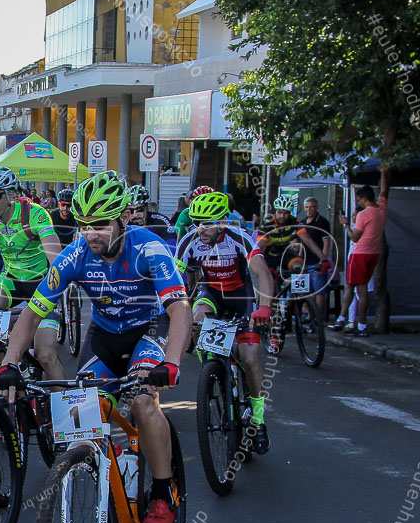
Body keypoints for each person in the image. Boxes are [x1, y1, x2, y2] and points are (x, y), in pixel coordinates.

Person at [0, 171, 191, 523]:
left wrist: (172, 362)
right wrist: (9, 363)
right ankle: (111, 464)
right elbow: (32, 314)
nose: (90, 234)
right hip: (104, 335)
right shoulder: (75, 255)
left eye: (100, 224)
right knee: (83, 418)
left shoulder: (149, 248)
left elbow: (179, 308)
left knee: (144, 404)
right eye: (84, 225)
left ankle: (163, 493)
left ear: (125, 218)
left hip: (148, 329)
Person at [175, 191, 276, 452]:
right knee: (196, 318)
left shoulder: (239, 238)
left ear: (222, 221)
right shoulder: (189, 241)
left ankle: (258, 419)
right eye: (197, 223)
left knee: (250, 358)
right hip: (212, 295)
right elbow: (175, 279)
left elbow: (263, 273)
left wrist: (264, 307)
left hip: (241, 299)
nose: (201, 229)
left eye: (207, 223)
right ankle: (215, 369)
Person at [0, 165, 65, 381]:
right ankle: (4, 362)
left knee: (46, 355)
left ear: (11, 194)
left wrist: (62, 279)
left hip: (41, 283)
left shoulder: (35, 213)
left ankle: (62, 411)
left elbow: (55, 256)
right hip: (10, 281)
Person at [337, 174, 389, 336]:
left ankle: (360, 324)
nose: (359, 203)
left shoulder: (364, 215)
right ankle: (344, 318)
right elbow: (384, 192)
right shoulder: (381, 209)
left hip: (360, 253)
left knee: (359, 290)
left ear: (365, 199)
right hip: (373, 253)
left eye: (360, 200)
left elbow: (355, 237)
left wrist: (346, 225)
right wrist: (384, 173)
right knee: (358, 287)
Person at [299, 196, 335, 323]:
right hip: (305, 261)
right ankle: (308, 315)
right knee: (305, 291)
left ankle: (318, 319)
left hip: (316, 261)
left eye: (312, 207)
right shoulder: (302, 223)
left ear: (317, 207)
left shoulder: (322, 222)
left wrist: (322, 261)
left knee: (319, 290)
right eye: (307, 207)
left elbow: (326, 243)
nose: (309, 209)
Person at [123, 184, 176, 250]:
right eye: (130, 211)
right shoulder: (122, 223)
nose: (135, 215)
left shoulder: (160, 220)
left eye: (140, 210)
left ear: (148, 207)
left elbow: (172, 248)